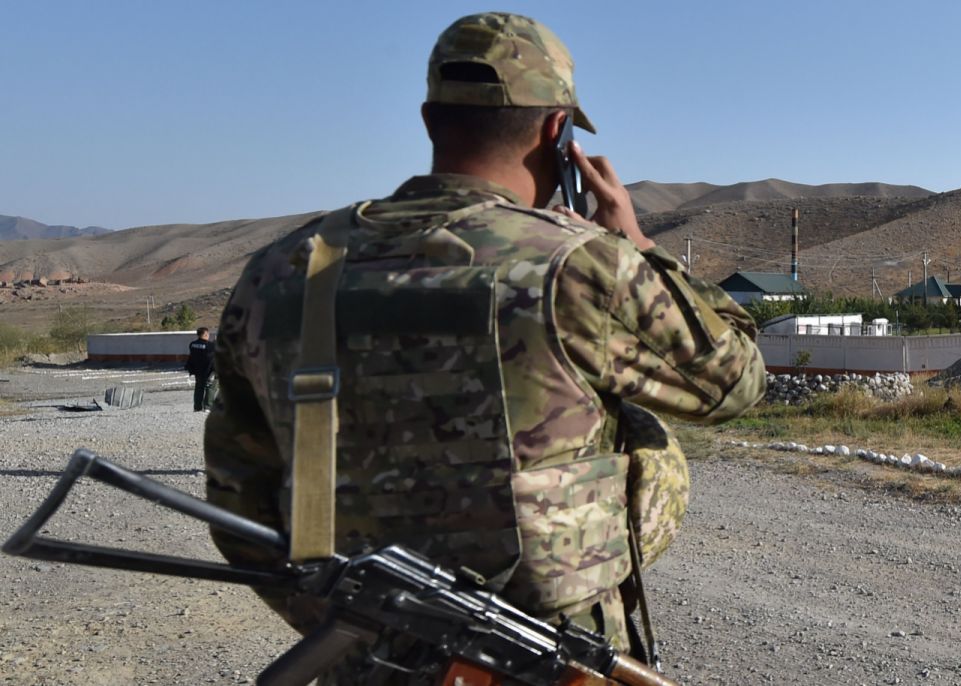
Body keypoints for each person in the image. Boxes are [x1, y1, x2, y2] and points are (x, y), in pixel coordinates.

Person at [202, 11, 765, 683]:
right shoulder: (580, 266)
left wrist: (355, 622)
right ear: (559, 133)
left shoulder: (282, 271)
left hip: (364, 652)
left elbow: (239, 493)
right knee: (646, 437)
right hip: (549, 657)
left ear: (428, 119)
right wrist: (638, 247)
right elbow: (735, 382)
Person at [184, 326, 216, 412]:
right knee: (211, 387)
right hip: (209, 371)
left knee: (199, 388)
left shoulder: (192, 344)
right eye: (208, 334)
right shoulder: (210, 345)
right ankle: (208, 406)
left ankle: (197, 407)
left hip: (197, 370)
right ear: (205, 334)